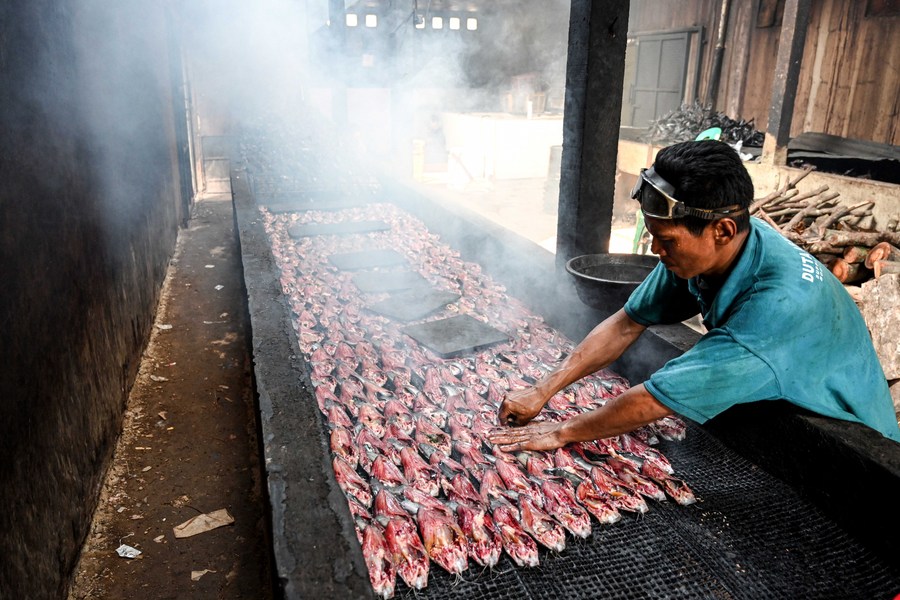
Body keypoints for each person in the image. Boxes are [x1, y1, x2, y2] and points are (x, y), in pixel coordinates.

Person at [488, 140, 900, 452]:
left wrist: (561, 432)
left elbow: (654, 399)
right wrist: (543, 389)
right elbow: (627, 322)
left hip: (850, 433)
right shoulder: (704, 255)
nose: (654, 249)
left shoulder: (776, 308)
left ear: (721, 230)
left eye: (665, 239)